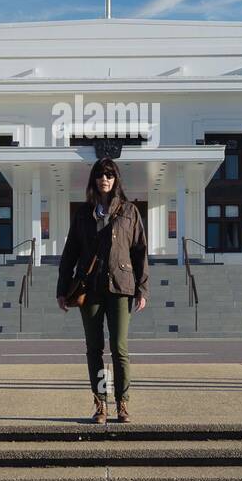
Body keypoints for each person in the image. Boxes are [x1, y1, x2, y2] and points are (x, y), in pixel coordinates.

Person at [56, 157, 148, 423]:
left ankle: (123, 404)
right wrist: (63, 289)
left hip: (121, 287)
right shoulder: (84, 214)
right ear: (93, 180)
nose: (104, 180)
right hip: (91, 288)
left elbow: (140, 251)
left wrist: (142, 288)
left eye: (109, 175)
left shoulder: (130, 211)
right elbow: (70, 252)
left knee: (119, 348)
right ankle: (101, 405)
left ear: (116, 179)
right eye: (100, 175)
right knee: (94, 349)